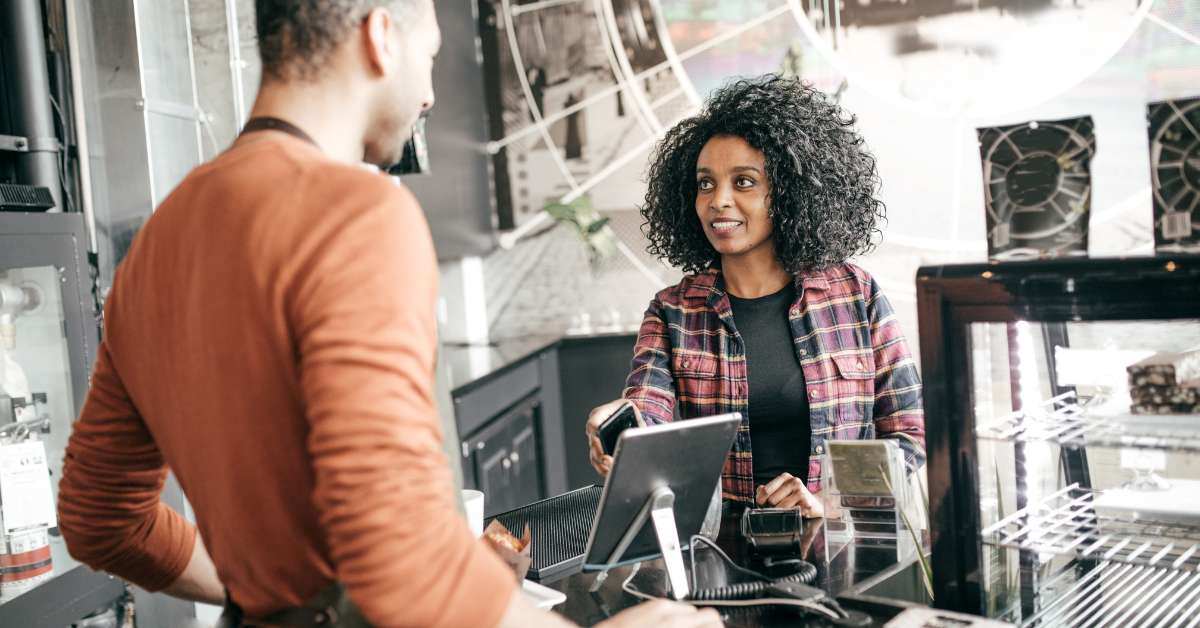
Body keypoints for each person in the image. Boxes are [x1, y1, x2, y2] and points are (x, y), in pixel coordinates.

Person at [55, 2, 721, 627]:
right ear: (379, 36)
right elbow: (402, 558)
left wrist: (267, 593)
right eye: (428, 55)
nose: (430, 94)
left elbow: (99, 518)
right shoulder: (355, 213)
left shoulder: (158, 240)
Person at [587, 75, 925, 518]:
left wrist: (830, 502)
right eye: (705, 184)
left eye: (744, 182)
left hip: (841, 547)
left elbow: (909, 435)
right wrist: (622, 426)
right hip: (719, 555)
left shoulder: (856, 295)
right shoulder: (672, 311)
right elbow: (649, 409)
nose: (718, 200)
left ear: (788, 194)